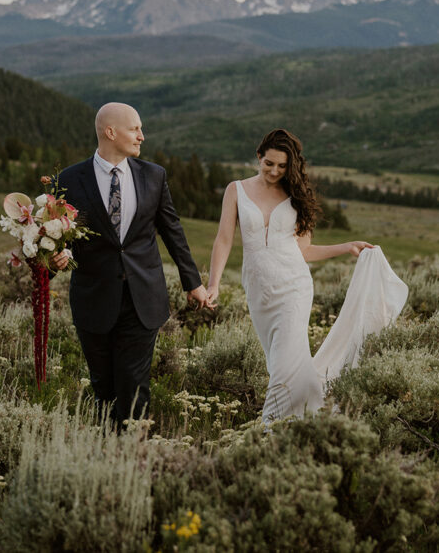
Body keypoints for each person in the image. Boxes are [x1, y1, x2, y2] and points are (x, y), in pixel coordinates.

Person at [205, 129, 407, 423]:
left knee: (285, 367)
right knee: (280, 366)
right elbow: (223, 239)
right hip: (258, 292)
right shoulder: (235, 190)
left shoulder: (296, 196)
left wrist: (347, 247)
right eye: (269, 163)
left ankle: (271, 431)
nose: (274, 171)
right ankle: (319, 419)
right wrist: (214, 284)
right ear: (258, 157)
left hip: (293, 288)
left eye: (282, 166)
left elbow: (304, 251)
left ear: (291, 166)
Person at [53, 103, 208, 425]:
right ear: (111, 132)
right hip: (93, 299)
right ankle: (109, 456)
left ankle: (134, 455)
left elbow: (172, 232)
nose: (142, 136)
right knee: (103, 387)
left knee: (134, 386)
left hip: (143, 298)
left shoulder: (154, 175)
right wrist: (56, 259)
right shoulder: (69, 179)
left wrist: (193, 283)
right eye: (134, 129)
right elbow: (57, 238)